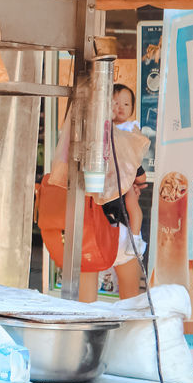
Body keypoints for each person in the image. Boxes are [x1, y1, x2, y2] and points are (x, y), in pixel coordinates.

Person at [79, 83, 146, 302]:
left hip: (120, 210)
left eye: (126, 104)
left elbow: (136, 167)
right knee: (90, 300)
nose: (120, 108)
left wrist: (134, 179)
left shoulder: (130, 132)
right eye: (115, 103)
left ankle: (134, 239)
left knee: (129, 298)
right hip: (99, 219)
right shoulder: (96, 131)